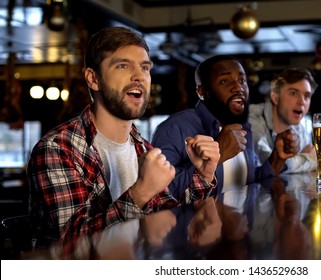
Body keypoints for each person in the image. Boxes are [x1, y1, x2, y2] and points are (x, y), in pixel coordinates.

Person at [27, 26, 220, 250]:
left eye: (145, 67)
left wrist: (204, 175)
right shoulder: (58, 149)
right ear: (93, 79)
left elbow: (166, 217)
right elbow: (71, 246)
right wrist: (141, 193)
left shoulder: (142, 147)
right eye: (123, 65)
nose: (139, 76)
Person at [151, 55, 299, 199]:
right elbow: (162, 194)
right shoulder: (174, 128)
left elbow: (248, 181)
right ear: (201, 92)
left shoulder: (244, 129)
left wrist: (277, 158)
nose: (238, 88)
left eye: (242, 80)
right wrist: (216, 157)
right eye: (225, 81)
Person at [249, 67, 318, 173]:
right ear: (275, 98)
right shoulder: (253, 117)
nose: (302, 102)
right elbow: (268, 163)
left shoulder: (299, 129)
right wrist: (308, 159)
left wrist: (305, 160)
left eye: (307, 96)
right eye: (294, 93)